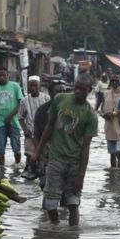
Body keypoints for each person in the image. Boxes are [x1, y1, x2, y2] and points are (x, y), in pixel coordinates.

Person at [32, 74, 98, 226]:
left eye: (82, 89)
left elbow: (86, 147)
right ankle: (55, 228)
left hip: (75, 162)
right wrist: (38, 151)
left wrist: (81, 175)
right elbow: (49, 126)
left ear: (89, 90)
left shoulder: (90, 115)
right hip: (55, 159)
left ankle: (72, 238)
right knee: (50, 202)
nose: (77, 91)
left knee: (73, 202)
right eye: (76, 87)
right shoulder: (60, 99)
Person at [0, 67, 24, 166]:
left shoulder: (15, 86)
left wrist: (10, 116)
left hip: (14, 121)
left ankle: (17, 166)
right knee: (0, 150)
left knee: (16, 148)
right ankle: (1, 171)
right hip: (0, 122)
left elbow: (21, 104)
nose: (2, 77)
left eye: (4, 75)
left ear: (8, 75)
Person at [18, 76, 50, 165]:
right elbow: (20, 117)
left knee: (44, 157)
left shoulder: (46, 98)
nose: (33, 88)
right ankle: (29, 174)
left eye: (35, 85)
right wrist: (25, 130)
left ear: (39, 86)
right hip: (30, 133)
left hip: (44, 133)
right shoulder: (24, 100)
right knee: (30, 156)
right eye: (31, 85)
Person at [100, 74, 120, 168]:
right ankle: (112, 175)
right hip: (109, 126)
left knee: (119, 152)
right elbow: (102, 108)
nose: (114, 83)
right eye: (112, 81)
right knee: (112, 153)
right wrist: (104, 115)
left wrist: (115, 114)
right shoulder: (106, 93)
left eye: (116, 81)